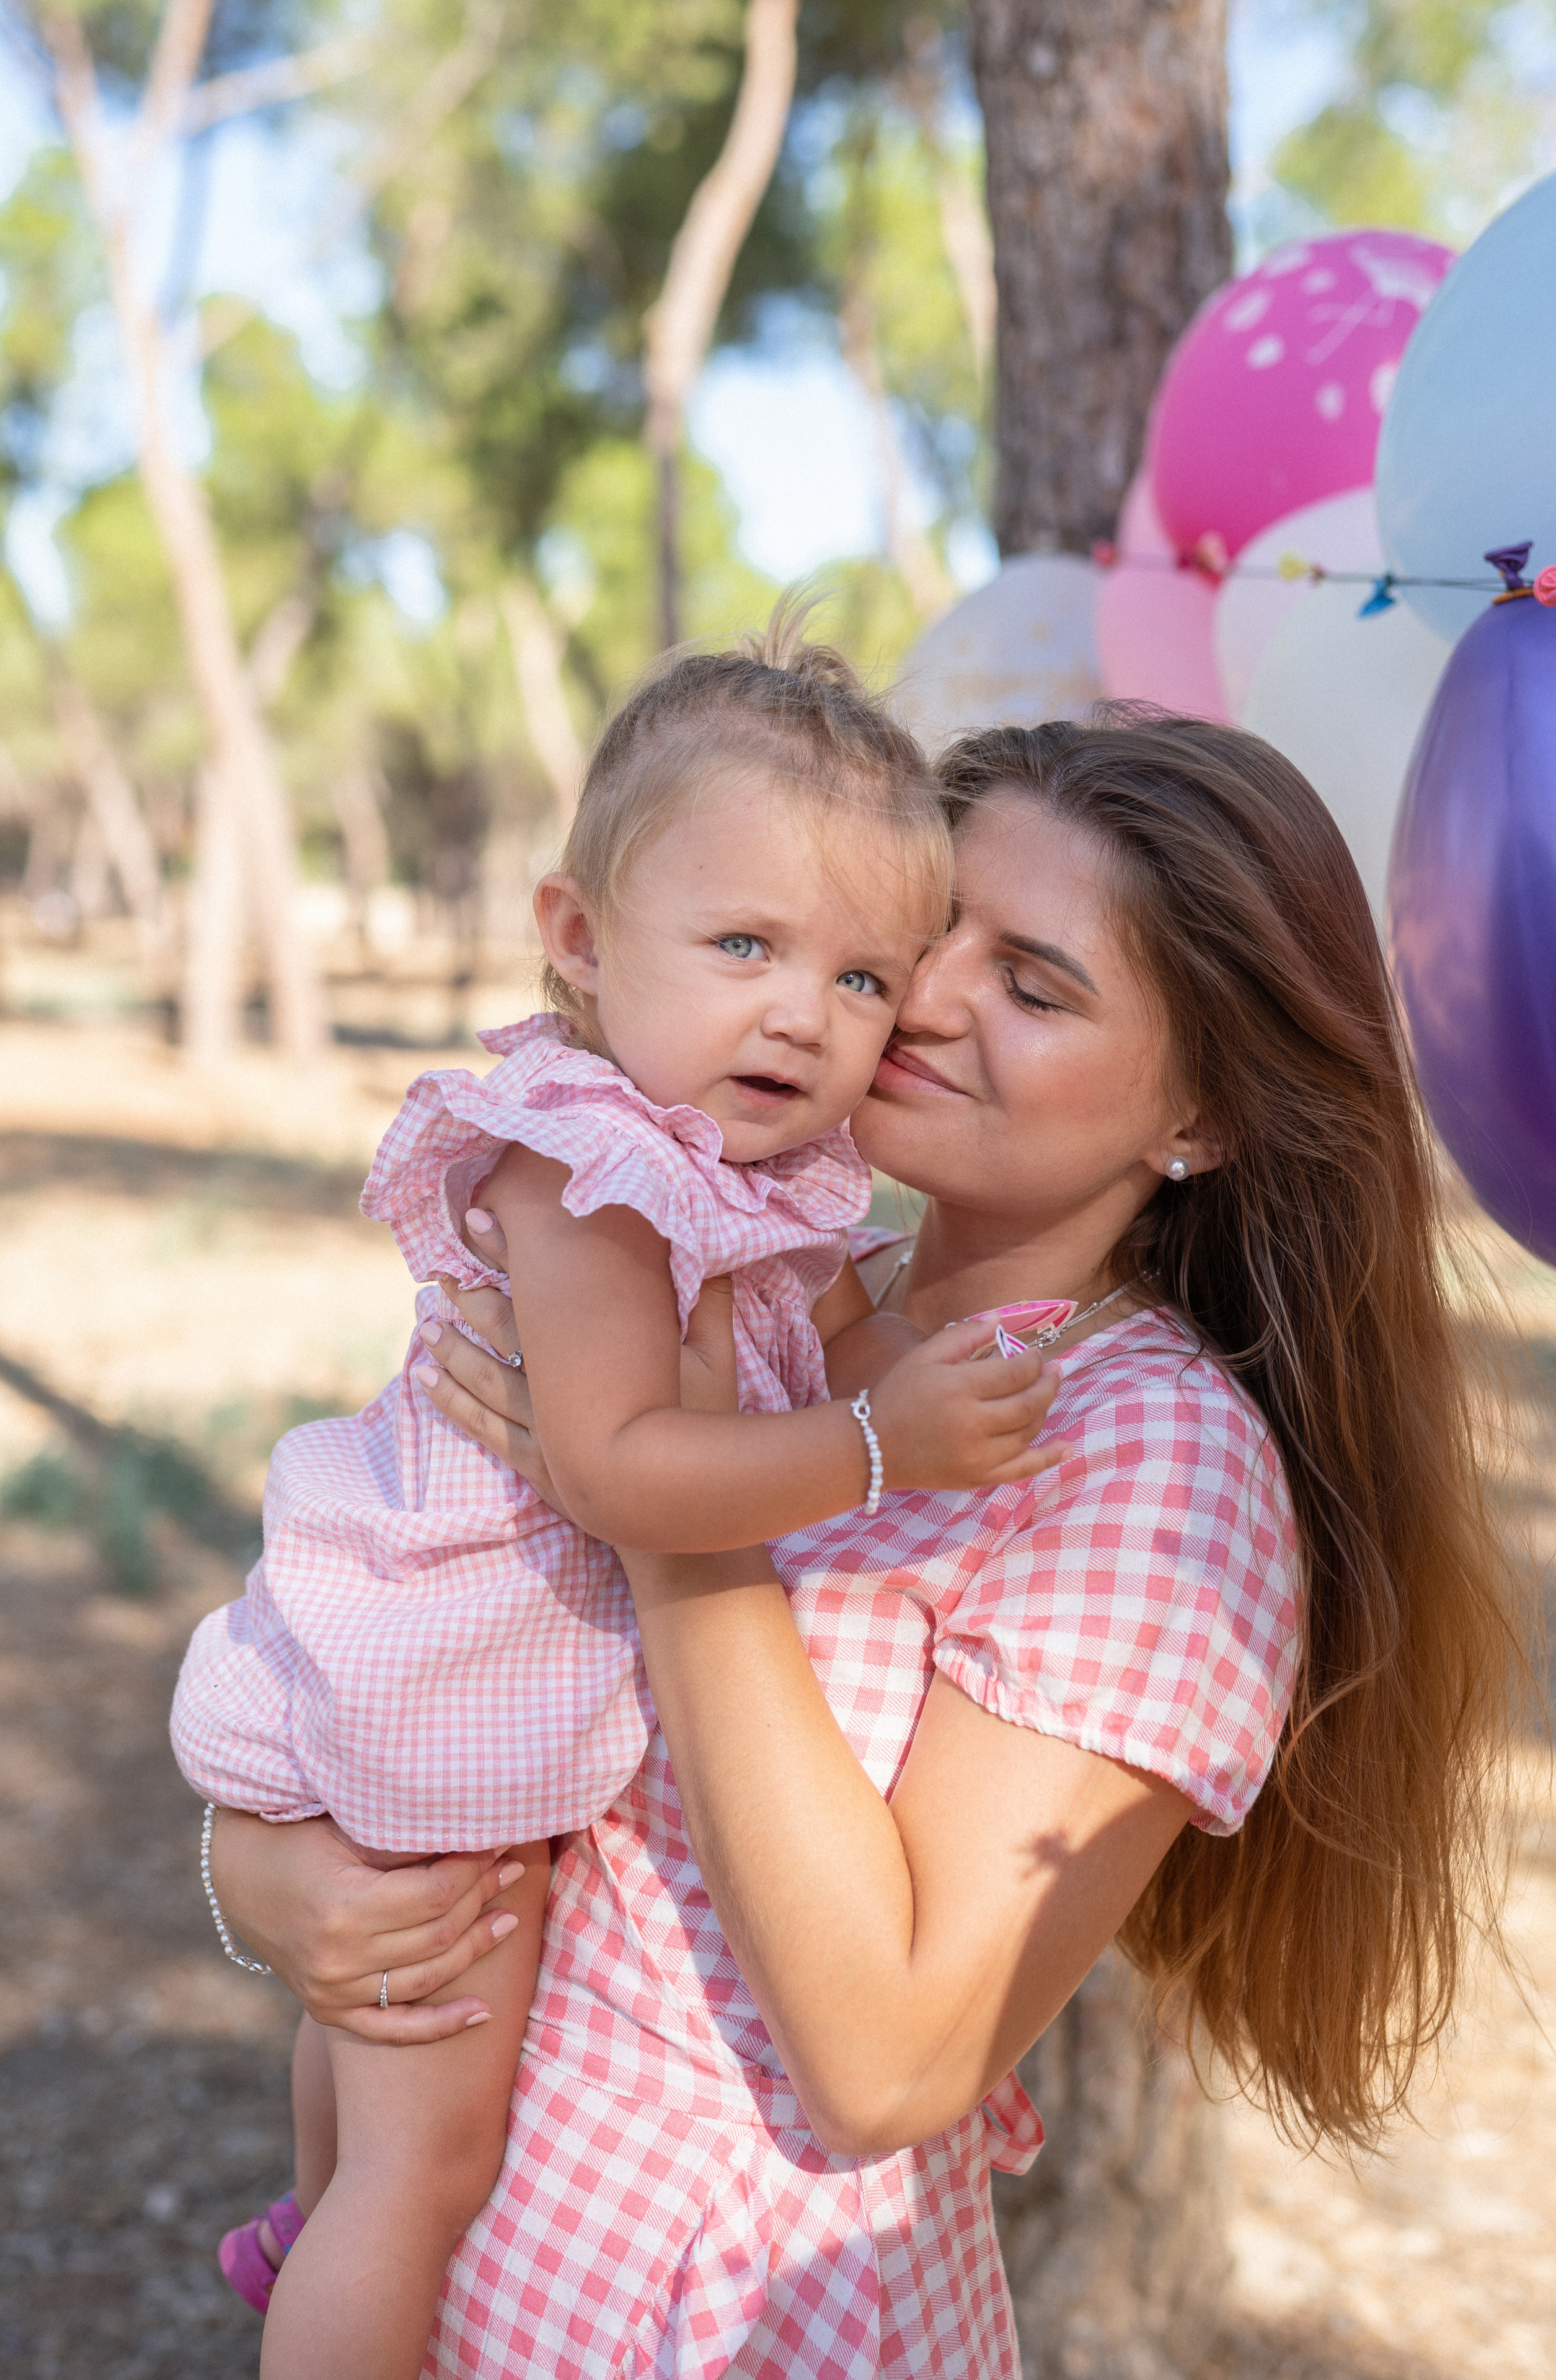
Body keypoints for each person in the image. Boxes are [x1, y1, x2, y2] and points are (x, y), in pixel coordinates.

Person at [206, 713, 1522, 2379]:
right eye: (929, 935)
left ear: (1199, 1116)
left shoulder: (1150, 1458)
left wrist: (674, 1512)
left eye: (1034, 985)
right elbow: (421, 1628)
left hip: (719, 2310)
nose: (927, 1000)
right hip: (487, 2236)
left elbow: (895, 2055)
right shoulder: (786, 1281)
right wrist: (270, 1877)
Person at [172, 628, 1071, 2380]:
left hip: (461, 1683)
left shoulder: (735, 1175)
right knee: (427, 2173)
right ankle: (330, 2266)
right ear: (579, 940)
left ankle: (309, 2206)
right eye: (745, 946)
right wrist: (889, 1443)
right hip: (456, 1691)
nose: (806, 1015)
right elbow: (617, 1464)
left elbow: (807, 1334)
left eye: (866, 978)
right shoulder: (591, 1175)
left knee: (376, 2097)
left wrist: (887, 1347)